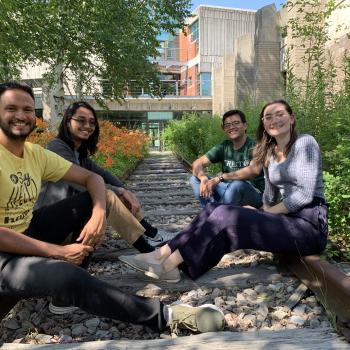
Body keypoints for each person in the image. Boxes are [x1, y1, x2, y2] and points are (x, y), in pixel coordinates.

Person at [0, 81, 225, 333]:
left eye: (28, 109)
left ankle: (148, 250)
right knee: (66, 275)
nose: (21, 115)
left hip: (28, 229)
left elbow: (93, 178)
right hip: (5, 255)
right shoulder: (47, 149)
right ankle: (166, 315)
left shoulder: (34, 153)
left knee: (95, 199)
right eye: (11, 108)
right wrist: (57, 251)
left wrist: (98, 212)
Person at [119, 100, 328, 283]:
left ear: (292, 118)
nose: (274, 120)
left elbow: (303, 196)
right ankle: (161, 255)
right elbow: (270, 196)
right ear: (263, 124)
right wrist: (261, 211)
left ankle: (166, 267)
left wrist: (261, 214)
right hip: (286, 222)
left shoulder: (304, 143)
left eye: (280, 114)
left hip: (308, 227)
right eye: (268, 117)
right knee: (212, 209)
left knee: (225, 213)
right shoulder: (270, 153)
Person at [36, 101, 167, 253]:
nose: (87, 125)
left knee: (114, 191)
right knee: (107, 194)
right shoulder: (57, 147)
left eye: (92, 122)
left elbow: (104, 174)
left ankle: (153, 235)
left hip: (69, 219)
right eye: (80, 120)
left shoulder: (80, 154)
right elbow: (81, 184)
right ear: (67, 121)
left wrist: (124, 190)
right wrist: (118, 191)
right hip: (48, 227)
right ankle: (149, 252)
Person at [190, 109, 264, 208]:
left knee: (237, 185)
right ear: (223, 128)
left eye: (236, 123)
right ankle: (211, 210)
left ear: (245, 125)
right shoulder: (223, 147)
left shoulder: (255, 146)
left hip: (253, 193)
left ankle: (219, 214)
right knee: (195, 179)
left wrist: (221, 177)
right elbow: (197, 163)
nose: (232, 127)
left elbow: (254, 170)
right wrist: (203, 178)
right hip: (227, 190)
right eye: (227, 125)